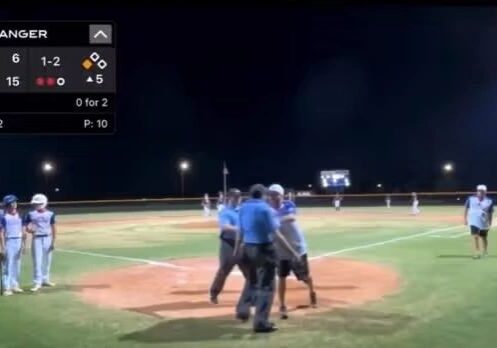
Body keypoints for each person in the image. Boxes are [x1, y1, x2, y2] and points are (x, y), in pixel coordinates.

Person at [236, 184, 300, 333]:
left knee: (251, 281)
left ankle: (242, 310)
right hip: (264, 249)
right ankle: (261, 322)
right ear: (263, 195)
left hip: (247, 248)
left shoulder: (243, 207)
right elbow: (277, 234)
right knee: (267, 286)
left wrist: (237, 248)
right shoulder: (265, 209)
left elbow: (240, 229)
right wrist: (292, 252)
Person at [268, 184, 317, 320]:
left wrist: (276, 221)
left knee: (304, 277)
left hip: (297, 247)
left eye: (275, 194)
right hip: (281, 250)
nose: (272, 197)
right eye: (271, 194)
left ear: (281, 195)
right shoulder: (268, 210)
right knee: (281, 277)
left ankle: (312, 291)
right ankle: (282, 305)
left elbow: (291, 217)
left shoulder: (288, 204)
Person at [209, 188, 250, 304]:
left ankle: (251, 296)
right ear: (230, 198)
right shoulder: (225, 212)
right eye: (235, 197)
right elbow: (225, 226)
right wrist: (238, 229)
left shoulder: (242, 210)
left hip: (242, 243)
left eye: (239, 197)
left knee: (249, 272)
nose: (237, 199)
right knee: (224, 270)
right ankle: (214, 294)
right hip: (228, 244)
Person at [24, 193, 57, 292]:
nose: (36, 205)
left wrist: (53, 242)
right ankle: (37, 282)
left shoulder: (50, 214)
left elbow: (54, 228)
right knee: (37, 261)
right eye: (35, 203)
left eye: (38, 203)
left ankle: (45, 280)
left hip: (48, 238)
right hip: (37, 239)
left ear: (44, 203)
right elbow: (25, 226)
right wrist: (29, 230)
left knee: (47, 261)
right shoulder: (31, 214)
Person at [0, 195, 26, 296]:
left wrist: (23, 244)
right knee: (7, 265)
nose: (14, 204)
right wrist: (2, 247)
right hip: (9, 241)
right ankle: (7, 287)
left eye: (15, 202)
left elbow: (23, 231)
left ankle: (15, 285)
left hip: (18, 240)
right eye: (12, 203)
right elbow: (1, 232)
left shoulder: (20, 216)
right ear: (7, 205)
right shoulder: (3, 217)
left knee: (17, 265)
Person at [464, 185, 493, 259]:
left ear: (485, 192)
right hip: (473, 221)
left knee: (484, 238)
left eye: (482, 191)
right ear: (477, 191)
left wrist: (490, 222)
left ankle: (485, 251)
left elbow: (490, 213)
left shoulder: (489, 201)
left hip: (484, 222)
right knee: (475, 237)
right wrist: (465, 219)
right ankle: (477, 252)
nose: (480, 192)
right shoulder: (471, 199)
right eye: (479, 190)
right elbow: (466, 209)